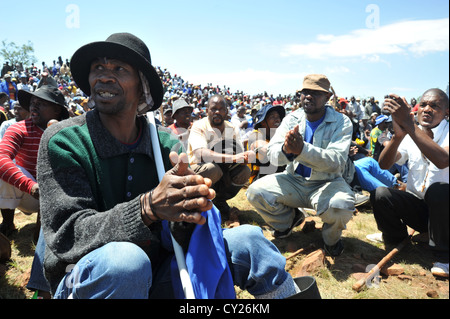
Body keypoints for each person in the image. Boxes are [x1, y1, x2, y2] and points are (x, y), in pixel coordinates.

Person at [37, 33, 301, 299]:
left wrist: (189, 210)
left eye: (119, 68)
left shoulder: (164, 143)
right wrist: (147, 207)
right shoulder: (65, 140)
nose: (105, 76)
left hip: (160, 275)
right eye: (98, 68)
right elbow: (67, 236)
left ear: (142, 87)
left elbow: (174, 237)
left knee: (250, 241)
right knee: (126, 262)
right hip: (91, 280)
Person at [246, 74, 355, 256]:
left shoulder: (341, 122)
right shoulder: (291, 119)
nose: (309, 96)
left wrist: (302, 150)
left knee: (340, 205)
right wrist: (287, 149)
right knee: (255, 192)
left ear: (327, 98)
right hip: (294, 181)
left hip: (326, 183)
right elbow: (272, 155)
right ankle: (289, 221)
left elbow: (336, 162)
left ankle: (331, 240)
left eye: (316, 93)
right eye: (305, 92)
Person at [370, 89, 449, 278]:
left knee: (438, 191)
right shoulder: (411, 133)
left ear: (447, 112)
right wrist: (398, 137)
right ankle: (395, 239)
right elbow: (384, 164)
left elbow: (443, 160)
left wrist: (408, 124)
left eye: (434, 106)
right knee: (380, 194)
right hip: (422, 212)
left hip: (446, 216)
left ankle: (444, 257)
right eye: (423, 105)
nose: (427, 109)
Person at [0, 85, 69, 239]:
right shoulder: (19, 129)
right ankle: (8, 223)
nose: (34, 106)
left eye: (42, 103)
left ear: (57, 110)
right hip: (27, 192)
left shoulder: (68, 132)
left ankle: (42, 232)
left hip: (57, 196)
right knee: (3, 170)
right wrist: (30, 186)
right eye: (33, 102)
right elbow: (1, 158)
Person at [187, 94, 254, 221]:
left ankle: (219, 201)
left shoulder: (231, 128)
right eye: (213, 109)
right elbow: (200, 154)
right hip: (198, 169)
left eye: (221, 109)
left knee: (245, 171)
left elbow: (240, 152)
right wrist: (234, 158)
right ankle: (199, 203)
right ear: (207, 111)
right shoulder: (199, 126)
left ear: (226, 112)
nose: (217, 112)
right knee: (212, 169)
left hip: (223, 170)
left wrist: (247, 156)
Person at [247, 103, 286, 184]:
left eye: (278, 117)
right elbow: (264, 149)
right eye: (272, 117)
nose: (277, 120)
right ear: (263, 122)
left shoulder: (279, 135)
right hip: (258, 181)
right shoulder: (256, 134)